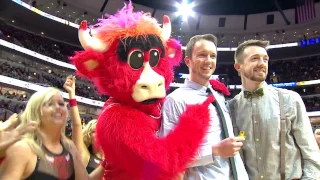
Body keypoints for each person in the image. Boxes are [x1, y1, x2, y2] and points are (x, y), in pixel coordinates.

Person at [159, 34, 248, 180]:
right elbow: (168, 156)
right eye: (202, 55)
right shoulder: (175, 100)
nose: (208, 61)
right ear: (188, 61)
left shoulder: (218, 95)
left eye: (213, 56)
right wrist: (214, 150)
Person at [229, 40, 320, 179]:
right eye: (254, 58)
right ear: (238, 66)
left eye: (265, 59)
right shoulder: (231, 107)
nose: (262, 63)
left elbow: (311, 153)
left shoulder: (290, 99)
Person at [0, 87, 89, 180]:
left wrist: (104, 164)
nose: (58, 107)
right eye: (50, 104)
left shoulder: (69, 147)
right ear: (36, 112)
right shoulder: (23, 148)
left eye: (61, 104)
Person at [63, 75, 104, 174]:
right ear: (89, 136)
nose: (99, 133)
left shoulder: (113, 160)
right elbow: (77, 125)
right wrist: (72, 95)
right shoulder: (85, 156)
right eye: (94, 131)